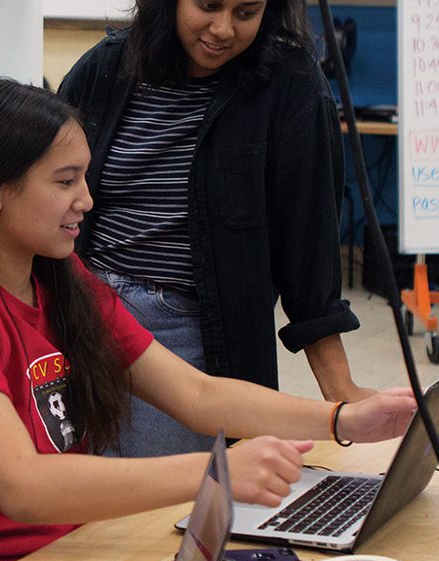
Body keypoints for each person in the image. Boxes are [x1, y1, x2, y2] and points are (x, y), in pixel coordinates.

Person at [0, 79, 415, 561]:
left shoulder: (59, 281)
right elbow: (21, 485)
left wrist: (346, 419)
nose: (87, 199)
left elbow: (195, 393)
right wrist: (214, 472)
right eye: (65, 181)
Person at [58, 0, 371, 458]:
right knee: (75, 500)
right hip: (78, 313)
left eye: (246, 12)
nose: (223, 29)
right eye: (208, 6)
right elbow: (44, 196)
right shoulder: (104, 68)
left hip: (184, 330)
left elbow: (308, 250)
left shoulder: (291, 86)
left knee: (160, 513)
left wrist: (341, 392)